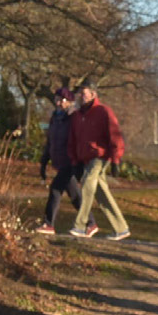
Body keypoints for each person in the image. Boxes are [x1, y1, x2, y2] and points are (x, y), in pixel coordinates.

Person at [67, 83, 131, 240]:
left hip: (100, 156)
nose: (81, 96)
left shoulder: (103, 111)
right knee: (101, 193)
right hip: (86, 158)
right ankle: (121, 228)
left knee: (88, 183)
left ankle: (81, 226)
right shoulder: (77, 116)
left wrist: (116, 160)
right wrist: (74, 161)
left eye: (84, 93)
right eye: (80, 93)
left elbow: (115, 135)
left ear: (93, 94)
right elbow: (73, 140)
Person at [35, 87, 83, 236]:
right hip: (60, 160)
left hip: (70, 161)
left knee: (55, 189)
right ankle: (90, 222)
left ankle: (49, 224)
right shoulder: (55, 118)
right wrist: (44, 162)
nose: (59, 103)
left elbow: (78, 140)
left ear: (69, 102)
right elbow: (50, 141)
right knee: (75, 196)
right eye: (57, 99)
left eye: (62, 100)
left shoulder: (74, 117)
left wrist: (79, 162)